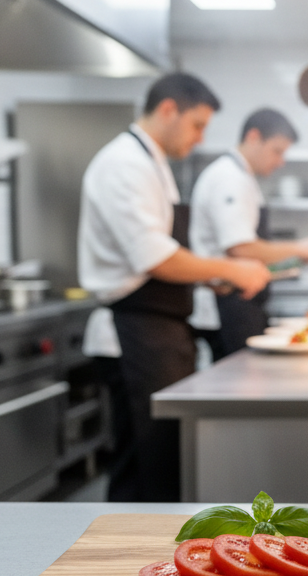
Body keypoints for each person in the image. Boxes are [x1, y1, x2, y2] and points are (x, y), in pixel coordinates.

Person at [78, 73, 271, 502]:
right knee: (144, 469)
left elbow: (164, 253)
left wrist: (210, 277)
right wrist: (233, 270)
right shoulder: (124, 164)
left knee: (162, 461)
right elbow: (155, 257)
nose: (200, 138)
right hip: (133, 332)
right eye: (197, 125)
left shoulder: (151, 163)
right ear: (169, 110)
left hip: (160, 332)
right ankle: (128, 560)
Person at [189, 108, 308, 359]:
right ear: (253, 137)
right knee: (239, 391)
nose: (281, 161)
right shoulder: (230, 178)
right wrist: (299, 248)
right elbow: (241, 248)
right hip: (228, 303)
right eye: (277, 151)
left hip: (240, 302)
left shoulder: (242, 177)